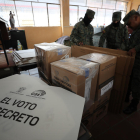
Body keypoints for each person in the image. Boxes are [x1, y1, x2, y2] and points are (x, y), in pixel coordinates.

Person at [123, 10, 140, 114]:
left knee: (137, 83)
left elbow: (135, 47)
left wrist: (136, 49)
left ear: (135, 18)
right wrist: (124, 50)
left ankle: (134, 104)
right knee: (131, 79)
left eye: (129, 24)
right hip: (134, 61)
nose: (129, 27)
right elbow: (130, 45)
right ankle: (126, 97)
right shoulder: (136, 30)